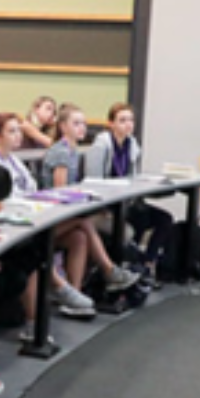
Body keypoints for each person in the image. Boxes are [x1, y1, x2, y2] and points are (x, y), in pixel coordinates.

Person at [0, 112, 96, 318]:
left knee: (78, 236)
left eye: (19, 130)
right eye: (11, 131)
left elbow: (32, 189)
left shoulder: (15, 160)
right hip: (12, 226)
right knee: (70, 228)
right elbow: (3, 201)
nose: (18, 135)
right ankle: (40, 314)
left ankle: (72, 295)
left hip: (32, 217)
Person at [40, 103, 141, 293]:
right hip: (51, 218)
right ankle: (109, 270)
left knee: (80, 237)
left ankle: (74, 293)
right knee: (85, 223)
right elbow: (59, 192)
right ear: (63, 127)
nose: (82, 128)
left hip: (67, 217)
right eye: (76, 123)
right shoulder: (61, 151)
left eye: (84, 124)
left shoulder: (73, 150)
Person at [85, 102, 171, 284]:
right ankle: (129, 267)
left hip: (125, 203)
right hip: (103, 208)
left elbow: (133, 177)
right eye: (122, 120)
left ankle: (147, 263)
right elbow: (92, 182)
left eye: (131, 120)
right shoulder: (101, 146)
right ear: (111, 124)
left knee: (163, 219)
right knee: (134, 226)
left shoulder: (132, 145)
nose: (128, 124)